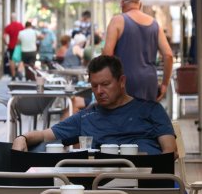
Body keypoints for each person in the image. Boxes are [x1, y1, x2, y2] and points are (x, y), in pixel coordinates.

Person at [12, 55, 177, 157]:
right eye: (94, 85)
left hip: (149, 187)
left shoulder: (151, 110)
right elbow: (44, 135)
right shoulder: (86, 117)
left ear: (121, 82)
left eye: (105, 84)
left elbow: (170, 152)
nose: (99, 91)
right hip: (102, 189)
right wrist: (22, 138)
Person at [102, 0, 173, 102]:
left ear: (122, 3)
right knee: (145, 117)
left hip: (125, 81)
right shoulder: (155, 24)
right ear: (140, 4)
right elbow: (168, 55)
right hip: (149, 81)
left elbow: (107, 55)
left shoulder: (117, 21)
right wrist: (164, 84)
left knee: (124, 117)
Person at [3, 13, 24, 80]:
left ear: (11, 18)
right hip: (19, 46)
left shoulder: (8, 26)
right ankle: (19, 70)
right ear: (16, 18)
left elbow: (4, 37)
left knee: (12, 60)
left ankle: (13, 75)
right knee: (21, 59)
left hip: (11, 46)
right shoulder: (21, 25)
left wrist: (6, 44)